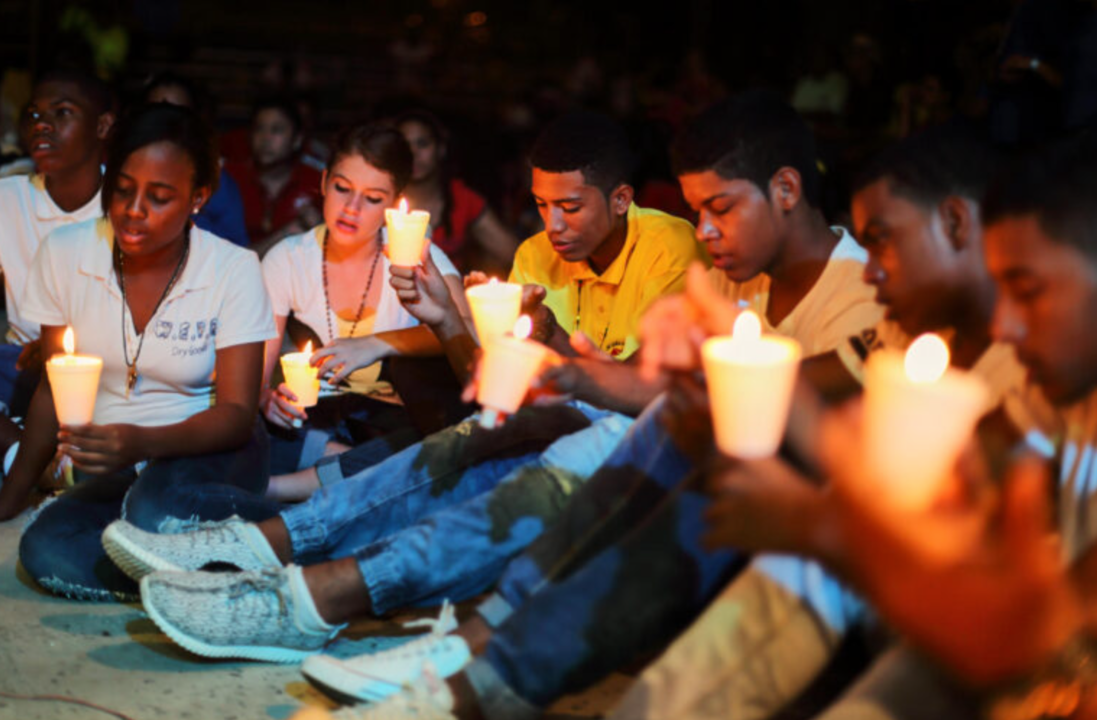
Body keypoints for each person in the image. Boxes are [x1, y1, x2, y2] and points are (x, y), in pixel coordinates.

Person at [99, 111, 701, 661]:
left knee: (471, 447)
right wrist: (444, 317)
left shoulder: (671, 249)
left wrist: (549, 350)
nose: (553, 224)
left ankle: (293, 576)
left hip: (602, 450)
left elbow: (635, 406)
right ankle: (270, 550)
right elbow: (487, 396)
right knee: (472, 440)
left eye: (570, 206)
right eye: (542, 205)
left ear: (621, 199)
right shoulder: (534, 256)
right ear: (323, 183)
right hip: (510, 427)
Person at [603, 126, 1046, 720]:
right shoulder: (909, 333)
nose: (870, 272)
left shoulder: (1042, 381)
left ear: (958, 225)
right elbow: (801, 395)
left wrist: (821, 523)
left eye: (1032, 287)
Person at [799, 131, 1097, 720]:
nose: (1008, 326)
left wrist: (820, 524)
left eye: (1028, 291)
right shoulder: (1070, 394)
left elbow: (1053, 639)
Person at [8, 103, 279, 601]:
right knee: (46, 550)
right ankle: (199, 575)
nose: (134, 210)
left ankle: (296, 538)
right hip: (116, 466)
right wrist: (12, 493)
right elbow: (52, 383)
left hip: (210, 450)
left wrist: (141, 441)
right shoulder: (65, 253)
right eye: (124, 189)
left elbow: (238, 415)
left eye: (159, 197)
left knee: (155, 513)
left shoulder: (232, 269)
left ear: (199, 197)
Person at [259, 122, 466, 477]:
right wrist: (268, 400)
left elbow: (468, 332)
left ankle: (295, 482)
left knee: (442, 438)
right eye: (342, 188)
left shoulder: (414, 256)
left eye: (372, 198)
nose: (352, 208)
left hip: (397, 421)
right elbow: (255, 376)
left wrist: (376, 344)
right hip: (315, 424)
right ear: (324, 182)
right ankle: (347, 467)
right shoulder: (288, 259)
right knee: (245, 429)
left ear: (394, 206)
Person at [0, 68, 115, 509]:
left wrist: (60, 348)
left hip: (104, 368)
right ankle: (22, 456)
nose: (41, 125)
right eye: (33, 114)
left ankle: (37, 456)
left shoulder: (127, 201)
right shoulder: (11, 198)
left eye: (61, 113)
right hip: (19, 361)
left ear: (102, 126)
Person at [396, 110, 518, 273]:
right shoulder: (379, 196)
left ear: (441, 148)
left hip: (449, 295)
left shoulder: (462, 198)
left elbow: (513, 253)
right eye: (404, 146)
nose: (413, 154)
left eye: (422, 144)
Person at [141, 71, 250, 247]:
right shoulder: (117, 172)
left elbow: (236, 251)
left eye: (176, 113)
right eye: (156, 111)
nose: (164, 122)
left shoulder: (217, 181)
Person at [226, 97, 322, 255]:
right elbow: (220, 253)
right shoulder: (229, 178)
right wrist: (287, 233)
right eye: (259, 129)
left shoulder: (316, 182)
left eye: (277, 130)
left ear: (297, 140)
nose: (265, 138)